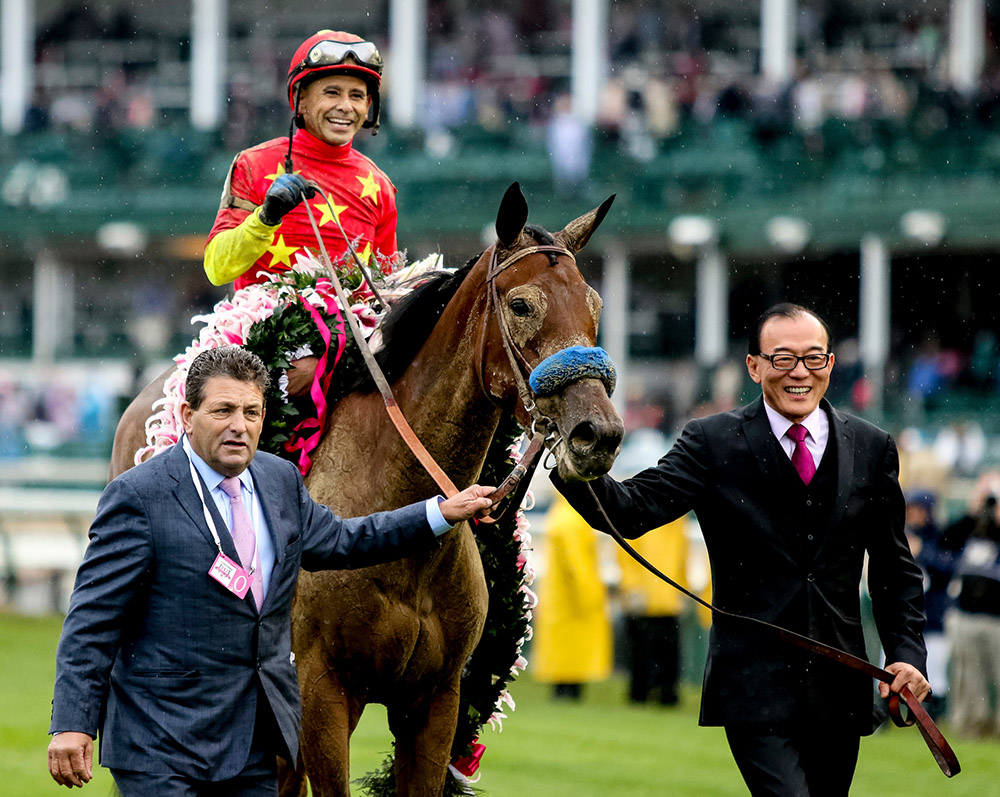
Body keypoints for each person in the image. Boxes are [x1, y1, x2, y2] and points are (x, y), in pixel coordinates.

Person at [47, 346, 494, 794]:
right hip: (161, 747)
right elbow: (92, 621)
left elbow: (345, 540)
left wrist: (439, 513)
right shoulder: (138, 495)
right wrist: (72, 724)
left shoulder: (278, 480)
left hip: (254, 748)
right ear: (187, 414)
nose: (239, 426)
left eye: (251, 412)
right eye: (223, 410)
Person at [551, 303, 930, 797]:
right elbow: (632, 510)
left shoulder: (873, 445)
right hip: (752, 687)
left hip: (841, 689)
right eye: (783, 358)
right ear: (753, 366)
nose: (800, 372)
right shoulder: (710, 441)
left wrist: (907, 655)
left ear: (831, 365)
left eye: (814, 358)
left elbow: (893, 568)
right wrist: (566, 456)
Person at [203, 30, 399, 396]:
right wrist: (266, 218)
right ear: (301, 101)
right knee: (300, 372)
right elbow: (217, 267)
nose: (346, 106)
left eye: (357, 95)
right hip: (261, 338)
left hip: (354, 342)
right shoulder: (253, 165)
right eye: (332, 93)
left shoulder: (380, 186)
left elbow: (384, 289)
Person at [531, 494, 612, 700]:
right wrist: (591, 597)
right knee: (573, 654)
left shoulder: (560, 514)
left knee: (563, 653)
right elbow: (578, 567)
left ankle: (564, 691)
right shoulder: (573, 521)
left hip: (559, 597)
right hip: (571, 600)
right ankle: (569, 692)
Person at [940, 471, 1000, 738]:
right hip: (965, 613)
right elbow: (944, 541)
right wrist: (971, 511)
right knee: (967, 677)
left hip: (995, 616)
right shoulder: (969, 527)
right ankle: (971, 727)